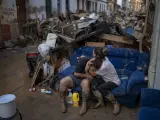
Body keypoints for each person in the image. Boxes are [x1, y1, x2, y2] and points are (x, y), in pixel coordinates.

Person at [86, 47, 121, 116]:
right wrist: (90, 60)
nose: (92, 53)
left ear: (97, 55)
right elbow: (94, 59)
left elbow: (92, 74)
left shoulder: (104, 66)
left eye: (93, 52)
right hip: (105, 79)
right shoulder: (104, 58)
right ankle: (100, 101)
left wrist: (87, 67)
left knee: (101, 88)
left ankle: (115, 103)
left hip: (114, 81)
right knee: (94, 82)